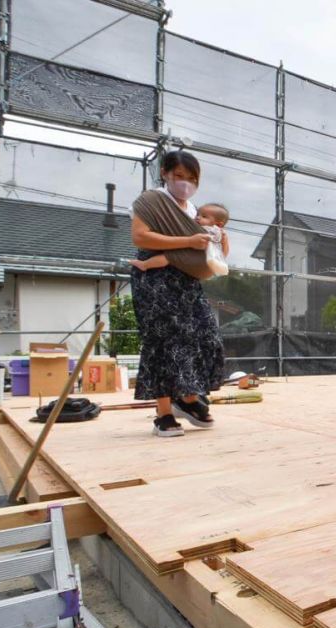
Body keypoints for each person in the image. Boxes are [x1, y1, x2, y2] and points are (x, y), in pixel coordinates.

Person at [129, 150, 225, 438]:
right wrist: (188, 240)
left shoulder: (193, 210)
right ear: (165, 173)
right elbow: (140, 236)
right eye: (179, 176)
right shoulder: (152, 201)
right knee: (164, 340)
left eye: (191, 178)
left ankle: (187, 396)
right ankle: (164, 413)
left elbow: (206, 249)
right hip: (156, 279)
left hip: (187, 281)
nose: (185, 183)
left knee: (206, 335)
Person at [131, 203, 230, 275]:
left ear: (218, 224)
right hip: (197, 259)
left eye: (204, 216)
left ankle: (145, 265)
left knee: (167, 257)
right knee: (167, 258)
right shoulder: (216, 232)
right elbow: (223, 253)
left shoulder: (212, 231)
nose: (198, 218)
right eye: (198, 215)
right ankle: (145, 265)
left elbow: (222, 252)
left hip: (197, 257)